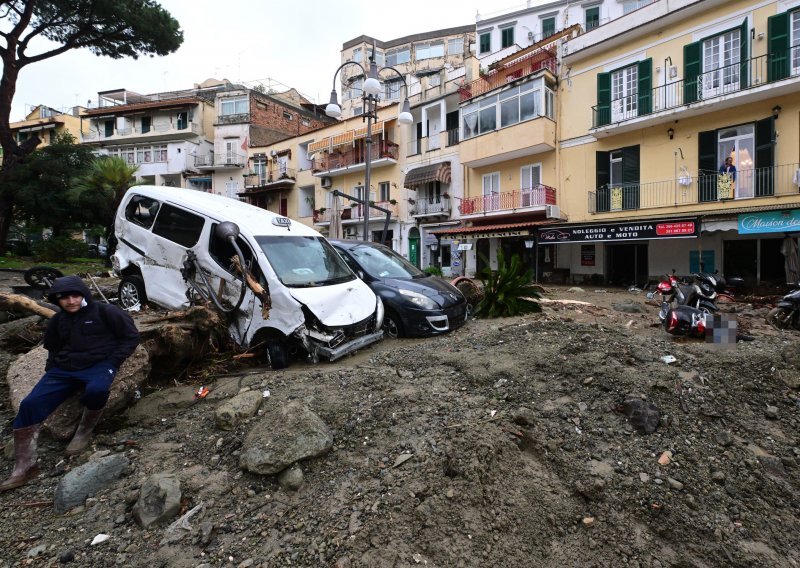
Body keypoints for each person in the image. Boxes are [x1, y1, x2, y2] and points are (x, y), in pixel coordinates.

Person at [1, 276, 140, 491]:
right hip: (63, 370)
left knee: (96, 390)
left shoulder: (106, 312)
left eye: (75, 296)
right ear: (57, 300)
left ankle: (84, 431)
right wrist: (51, 371)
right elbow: (53, 347)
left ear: (84, 295)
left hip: (99, 365)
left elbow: (131, 337)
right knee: (30, 404)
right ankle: (25, 466)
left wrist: (113, 361)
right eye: (64, 298)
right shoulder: (58, 320)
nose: (71, 301)